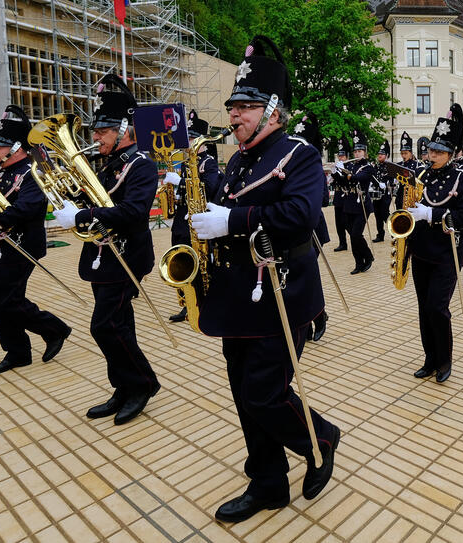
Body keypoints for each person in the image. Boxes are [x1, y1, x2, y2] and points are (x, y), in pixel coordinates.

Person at [187, 35, 340, 523]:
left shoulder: (299, 154)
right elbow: (231, 205)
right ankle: (268, 482)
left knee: (263, 392)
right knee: (242, 392)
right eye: (233, 106)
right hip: (238, 296)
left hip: (282, 292)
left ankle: (321, 439)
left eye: (247, 106)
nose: (235, 115)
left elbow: (301, 214)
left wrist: (230, 221)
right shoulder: (237, 160)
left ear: (275, 110)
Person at [51, 74, 161, 425]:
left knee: (104, 326)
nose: (95, 137)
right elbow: (99, 200)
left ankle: (143, 383)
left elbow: (133, 212)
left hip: (126, 256)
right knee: (119, 325)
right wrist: (70, 198)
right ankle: (124, 386)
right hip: (104, 256)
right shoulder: (111, 163)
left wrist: (82, 214)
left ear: (126, 129)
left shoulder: (141, 164)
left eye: (103, 131)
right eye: (96, 132)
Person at [0, 105, 71, 375]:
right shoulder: (6, 174)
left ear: (16, 147)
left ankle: (54, 329)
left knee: (9, 301)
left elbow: (27, 207)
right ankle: (17, 352)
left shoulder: (32, 172)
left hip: (22, 244)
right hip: (1, 245)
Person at [406, 104, 463, 382]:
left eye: (439, 152)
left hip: (447, 254)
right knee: (424, 308)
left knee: (437, 307)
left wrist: (430, 213)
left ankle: (445, 360)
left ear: (453, 154)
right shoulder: (419, 176)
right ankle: (430, 358)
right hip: (421, 251)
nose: (432, 156)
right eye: (431, 150)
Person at [165, 109, 221, 323]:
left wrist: (178, 182)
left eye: (190, 138)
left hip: (196, 221)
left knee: (197, 262)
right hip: (181, 220)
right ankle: (186, 302)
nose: (186, 142)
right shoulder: (188, 163)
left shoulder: (208, 163)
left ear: (201, 141)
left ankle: (201, 301)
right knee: (179, 260)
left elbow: (210, 187)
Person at [293, 113, 330, 342]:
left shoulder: (312, 164)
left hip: (312, 228)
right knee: (295, 278)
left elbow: (324, 199)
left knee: (306, 278)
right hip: (290, 230)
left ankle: (319, 316)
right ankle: (303, 322)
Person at [337, 129, 375, 274]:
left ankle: (368, 256)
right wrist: (336, 172)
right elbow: (343, 183)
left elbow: (358, 178)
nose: (357, 154)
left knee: (356, 235)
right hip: (349, 205)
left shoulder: (368, 167)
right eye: (355, 151)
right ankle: (359, 263)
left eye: (360, 151)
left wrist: (347, 174)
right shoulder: (351, 166)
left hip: (362, 205)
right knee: (353, 236)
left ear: (365, 152)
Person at [330, 138, 350, 252]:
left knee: (346, 222)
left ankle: (354, 239)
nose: (340, 158)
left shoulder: (349, 167)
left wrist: (340, 170)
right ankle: (342, 243)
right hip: (338, 196)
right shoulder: (338, 166)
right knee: (338, 223)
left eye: (342, 156)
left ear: (346, 157)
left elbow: (345, 181)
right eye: (339, 156)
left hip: (346, 197)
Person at [370, 140, 392, 243]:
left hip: (385, 194)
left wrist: (387, 182)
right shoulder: (376, 166)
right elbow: (373, 177)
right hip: (376, 194)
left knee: (385, 214)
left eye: (382, 154)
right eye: (379, 154)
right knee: (377, 215)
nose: (380, 155)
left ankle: (393, 232)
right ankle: (380, 235)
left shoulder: (390, 167)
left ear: (387, 155)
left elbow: (392, 179)